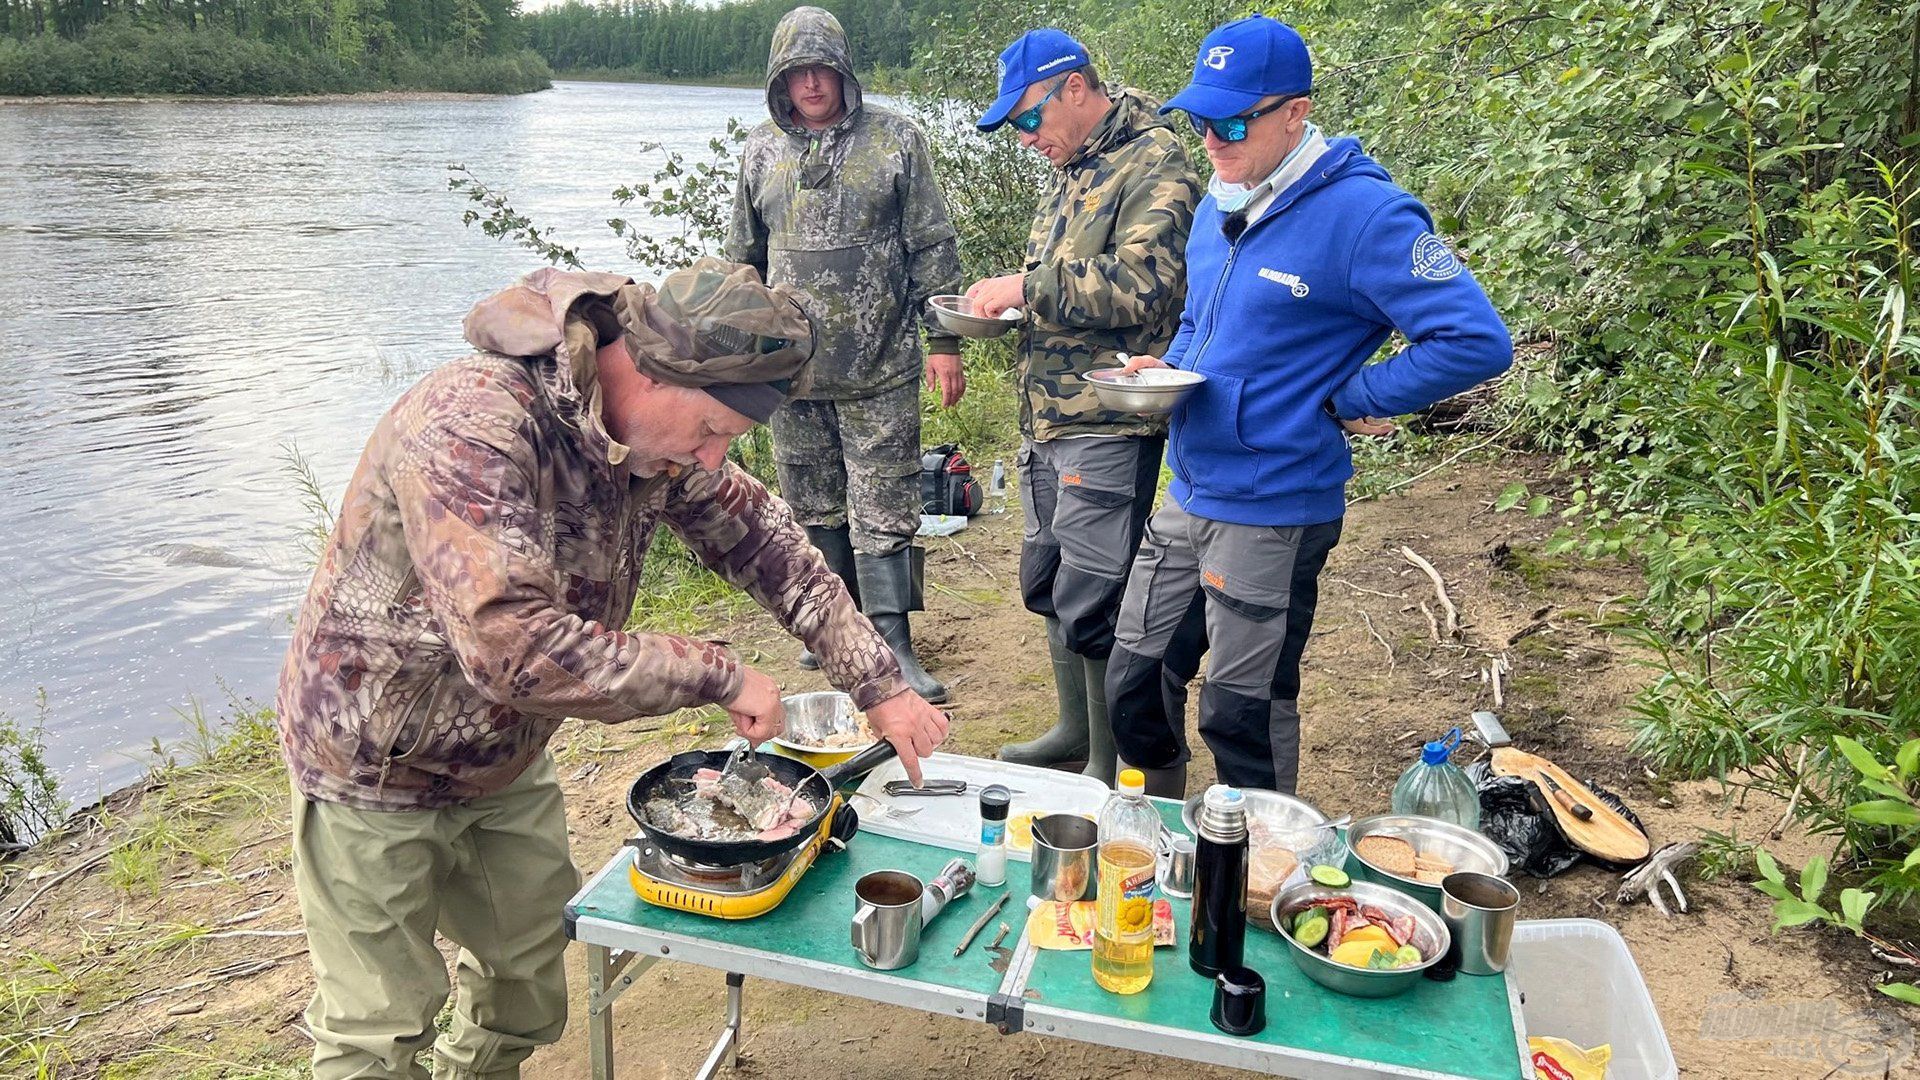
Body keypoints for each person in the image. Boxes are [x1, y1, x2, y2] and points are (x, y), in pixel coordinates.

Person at [277, 258, 949, 1080]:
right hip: (374, 752)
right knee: (377, 1037)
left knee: (525, 991)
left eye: (727, 443)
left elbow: (771, 547)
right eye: (711, 433)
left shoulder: (652, 446)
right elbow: (513, 648)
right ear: (656, 370)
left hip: (503, 758)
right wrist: (718, 675)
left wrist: (879, 685)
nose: (711, 459)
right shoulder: (476, 424)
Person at [1107, 15, 1513, 797]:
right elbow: (1202, 321)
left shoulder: (1366, 216)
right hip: (1190, 488)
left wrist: (1352, 396)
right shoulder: (1219, 201)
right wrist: (1171, 368)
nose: (1212, 139)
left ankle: (1256, 863)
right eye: (1200, 119)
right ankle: (1153, 837)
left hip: (1275, 504)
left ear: (1294, 112)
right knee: (1135, 680)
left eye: (1232, 120)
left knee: (1240, 710)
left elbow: (1474, 342)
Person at [965, 29, 1200, 784]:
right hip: (1048, 415)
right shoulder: (1072, 165)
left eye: (1029, 119)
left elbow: (1147, 286)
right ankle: (1074, 730)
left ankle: (1108, 763)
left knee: (1098, 594)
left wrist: (1023, 288)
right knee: (1049, 578)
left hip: (1108, 416)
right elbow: (1069, 280)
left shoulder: (1154, 160)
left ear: (1074, 88)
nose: (1026, 139)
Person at [727, 5, 964, 703]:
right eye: (795, 71)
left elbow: (933, 244)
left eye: (820, 68)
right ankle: (836, 631)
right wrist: (735, 351)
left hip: (881, 364)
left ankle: (892, 644)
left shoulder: (897, 139)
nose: (810, 83)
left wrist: (944, 340)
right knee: (812, 504)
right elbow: (742, 259)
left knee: (885, 502)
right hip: (789, 375)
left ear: (841, 70)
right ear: (780, 78)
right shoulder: (759, 150)